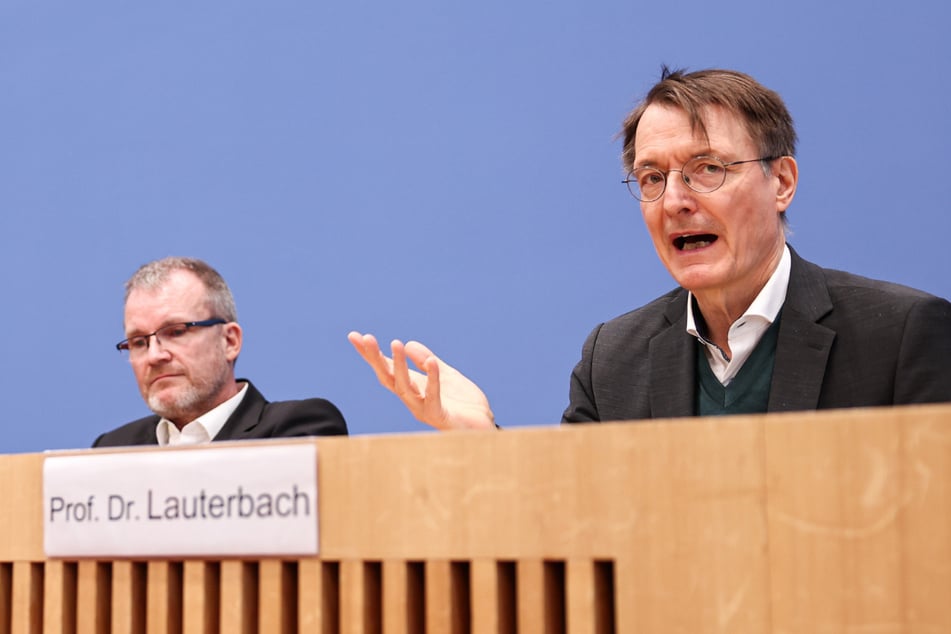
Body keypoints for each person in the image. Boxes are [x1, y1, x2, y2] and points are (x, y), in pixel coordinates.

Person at [348, 67, 951, 430]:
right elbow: (574, 522)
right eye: (651, 178)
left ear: (782, 182)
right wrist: (483, 441)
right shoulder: (614, 358)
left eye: (706, 168)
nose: (674, 201)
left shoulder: (899, 335)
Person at [95, 257, 347, 446]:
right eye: (139, 342)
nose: (154, 356)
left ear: (230, 341)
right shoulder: (112, 448)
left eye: (176, 332)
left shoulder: (296, 429)